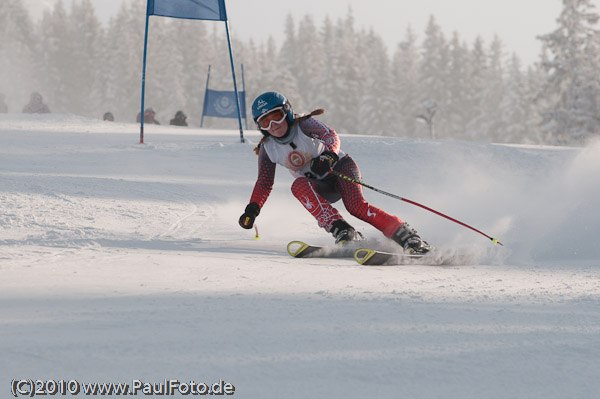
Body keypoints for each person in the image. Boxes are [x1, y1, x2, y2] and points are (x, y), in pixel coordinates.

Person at [238, 91, 431, 254]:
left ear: (287, 112)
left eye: (276, 117)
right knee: (298, 186)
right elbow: (264, 183)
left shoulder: (304, 125)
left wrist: (328, 156)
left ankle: (408, 237)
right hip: (318, 186)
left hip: (340, 169)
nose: (273, 125)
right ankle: (343, 231)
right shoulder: (268, 149)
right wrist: (253, 209)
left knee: (356, 207)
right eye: (265, 122)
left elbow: (331, 135)